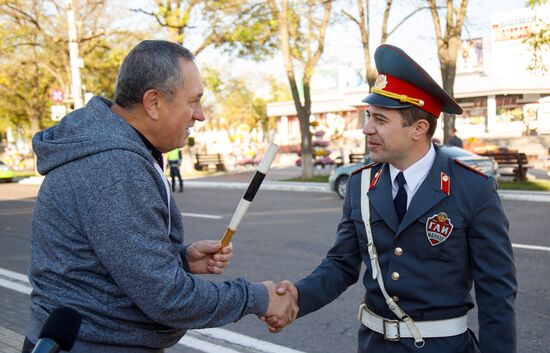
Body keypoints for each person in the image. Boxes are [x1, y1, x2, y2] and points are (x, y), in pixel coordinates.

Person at [24, 40, 297, 353]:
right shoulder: (116, 170)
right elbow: (167, 297)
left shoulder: (114, 152)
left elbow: (108, 263)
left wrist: (179, 259)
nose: (201, 115)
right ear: (153, 102)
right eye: (194, 101)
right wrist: (258, 297)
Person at [268, 44, 517, 353]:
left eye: (380, 120)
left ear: (419, 128)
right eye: (369, 116)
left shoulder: (472, 188)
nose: (366, 129)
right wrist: (297, 296)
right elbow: (341, 264)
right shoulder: (361, 184)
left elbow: (497, 291)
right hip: (374, 345)